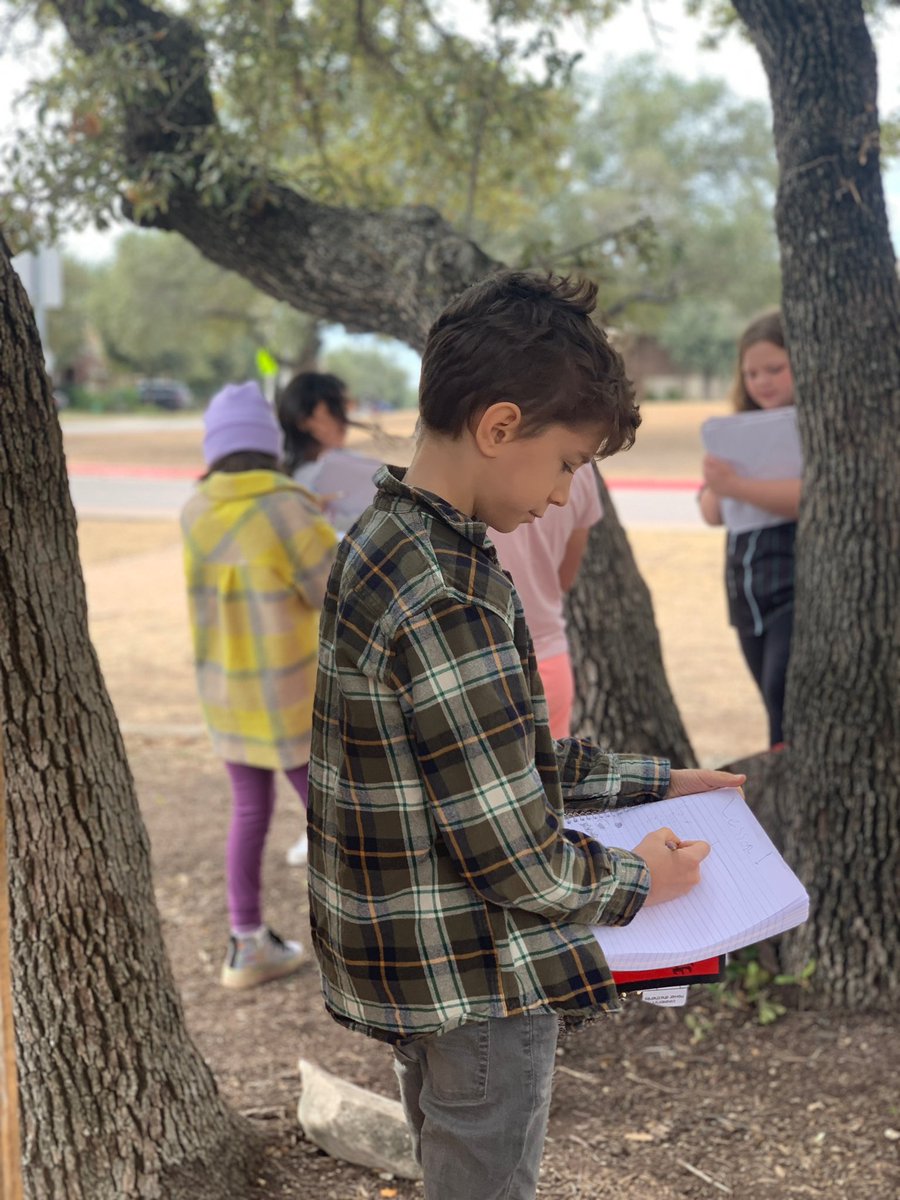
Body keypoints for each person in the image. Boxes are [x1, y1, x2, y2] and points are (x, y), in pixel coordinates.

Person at [306, 270, 745, 1200]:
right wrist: (645, 879)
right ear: (500, 428)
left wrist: (653, 781)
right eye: (568, 464)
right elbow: (525, 864)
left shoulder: (385, 542)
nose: (563, 496)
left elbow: (500, 759)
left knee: (450, 1162)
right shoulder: (453, 594)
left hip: (418, 969)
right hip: (480, 986)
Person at [181, 381, 337, 989]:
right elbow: (330, 590)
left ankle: (246, 941)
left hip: (226, 697)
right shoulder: (287, 506)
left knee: (249, 811)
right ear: (270, 447)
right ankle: (362, 939)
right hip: (293, 698)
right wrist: (318, 528)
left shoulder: (194, 508)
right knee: (332, 820)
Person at [277, 370, 383, 865]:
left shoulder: (304, 474)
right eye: (334, 408)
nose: (344, 416)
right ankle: (321, 825)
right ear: (310, 418)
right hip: (323, 623)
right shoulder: (302, 483)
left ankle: (323, 825)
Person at [698, 310, 801, 748]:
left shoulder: (812, 426)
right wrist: (721, 485)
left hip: (794, 584)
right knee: (768, 694)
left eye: (775, 369)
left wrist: (737, 485)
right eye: (751, 372)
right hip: (746, 589)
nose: (762, 381)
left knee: (784, 692)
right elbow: (711, 512)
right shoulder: (735, 429)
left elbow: (807, 497)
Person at [490, 464, 603, 738]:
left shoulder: (482, 461)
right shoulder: (582, 468)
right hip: (548, 656)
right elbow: (565, 577)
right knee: (550, 774)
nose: (559, 497)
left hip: (483, 657)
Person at [278, 371, 381, 534]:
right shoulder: (320, 473)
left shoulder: (281, 481)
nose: (344, 420)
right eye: (334, 409)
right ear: (305, 421)